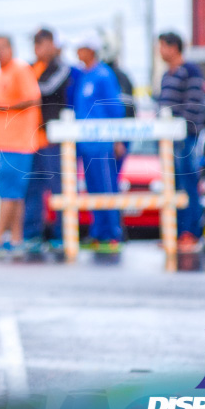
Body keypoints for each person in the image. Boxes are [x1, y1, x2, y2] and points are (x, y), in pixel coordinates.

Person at [0, 35, 42, 255]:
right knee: (13, 194)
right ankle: (15, 239)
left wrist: (4, 107)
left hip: (16, 143)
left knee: (9, 193)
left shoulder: (20, 70)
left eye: (4, 47)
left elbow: (33, 98)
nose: (0, 52)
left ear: (11, 48)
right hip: (1, 143)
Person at [73, 33, 125, 253]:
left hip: (103, 143)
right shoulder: (84, 76)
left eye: (82, 48)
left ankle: (112, 233)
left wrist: (117, 138)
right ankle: (98, 232)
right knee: (93, 189)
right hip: (86, 144)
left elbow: (115, 108)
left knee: (107, 187)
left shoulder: (103, 75)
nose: (77, 52)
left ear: (91, 50)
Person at [24, 28, 75, 252]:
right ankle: (32, 235)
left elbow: (45, 89)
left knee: (59, 190)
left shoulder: (62, 67)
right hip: (32, 140)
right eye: (35, 44)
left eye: (42, 43)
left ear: (52, 44)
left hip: (54, 141)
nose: (38, 49)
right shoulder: (30, 67)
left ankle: (62, 235)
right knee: (32, 189)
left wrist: (24, 91)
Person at [157, 31, 205, 253]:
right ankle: (175, 232)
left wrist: (183, 130)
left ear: (173, 47)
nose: (160, 52)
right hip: (168, 139)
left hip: (184, 137)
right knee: (173, 186)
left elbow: (194, 103)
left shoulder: (191, 71)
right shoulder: (166, 75)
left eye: (162, 46)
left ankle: (191, 233)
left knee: (188, 184)